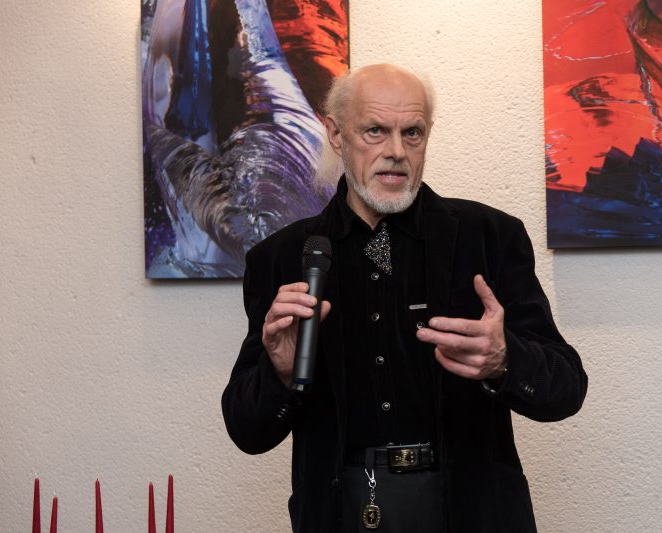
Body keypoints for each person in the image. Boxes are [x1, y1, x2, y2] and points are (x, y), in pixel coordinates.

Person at [222, 63, 588, 532]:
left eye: (412, 133)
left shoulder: (491, 238)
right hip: (340, 513)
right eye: (375, 130)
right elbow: (247, 431)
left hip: (471, 512)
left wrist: (505, 360)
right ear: (336, 134)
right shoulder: (281, 258)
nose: (396, 151)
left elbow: (566, 389)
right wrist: (280, 374)